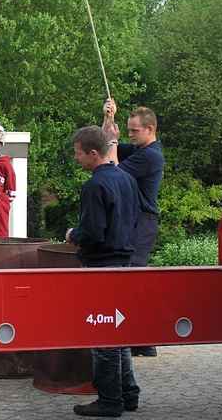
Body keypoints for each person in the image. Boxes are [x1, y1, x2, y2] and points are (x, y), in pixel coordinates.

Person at [66, 126, 141, 418]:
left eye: (78, 153)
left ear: (93, 153)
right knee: (118, 331)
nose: (76, 158)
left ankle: (109, 401)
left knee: (102, 334)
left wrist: (75, 233)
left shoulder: (94, 186)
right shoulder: (127, 180)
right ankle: (128, 393)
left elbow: (94, 232)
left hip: (101, 266)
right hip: (125, 262)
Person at [103, 99, 165, 357]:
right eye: (128, 131)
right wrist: (108, 117)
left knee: (134, 279)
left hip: (143, 223)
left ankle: (144, 339)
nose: (130, 135)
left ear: (149, 129)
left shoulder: (150, 156)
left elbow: (115, 170)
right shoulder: (140, 149)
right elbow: (106, 148)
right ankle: (138, 339)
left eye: (134, 131)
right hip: (132, 221)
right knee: (128, 278)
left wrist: (115, 142)